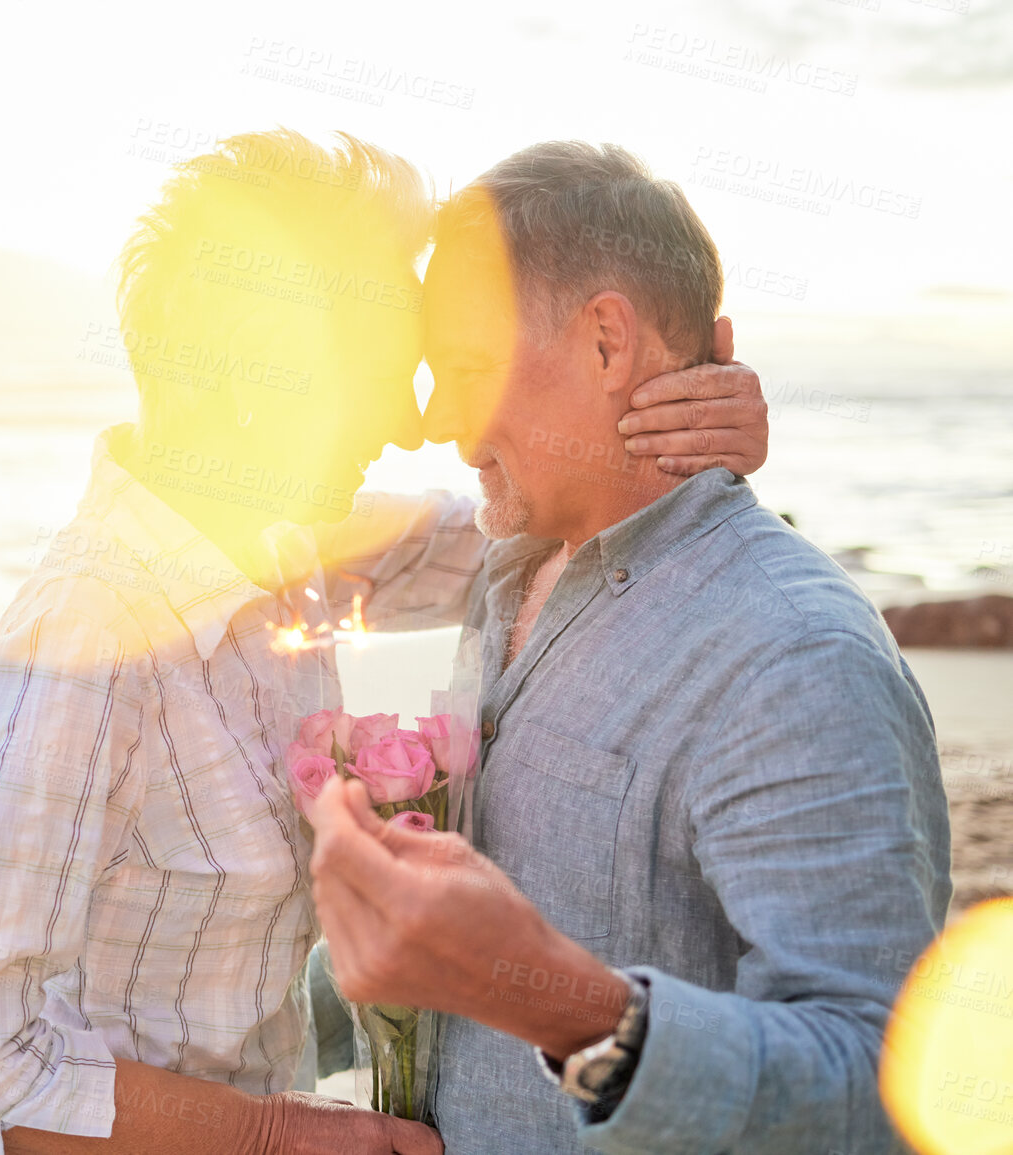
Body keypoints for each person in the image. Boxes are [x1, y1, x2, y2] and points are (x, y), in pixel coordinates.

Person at [0, 131, 771, 1155]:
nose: (414, 420)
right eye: (388, 373)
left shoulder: (286, 555)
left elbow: (520, 528)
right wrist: (273, 1134)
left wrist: (683, 418)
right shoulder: (79, 650)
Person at [307, 141, 950, 1154]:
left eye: (465, 368)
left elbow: (884, 1093)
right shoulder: (508, 557)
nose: (435, 418)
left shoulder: (790, 658)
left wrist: (576, 1010)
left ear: (608, 344)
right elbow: (290, 536)